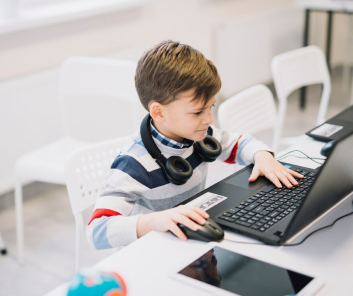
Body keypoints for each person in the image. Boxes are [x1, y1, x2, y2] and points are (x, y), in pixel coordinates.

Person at [86, 40, 303, 250]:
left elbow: (239, 143)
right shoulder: (133, 163)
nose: (209, 119)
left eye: (211, 107)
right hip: (148, 251)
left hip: (185, 241)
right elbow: (97, 232)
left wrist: (262, 156)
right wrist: (153, 221)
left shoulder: (197, 134)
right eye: (198, 111)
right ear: (159, 112)